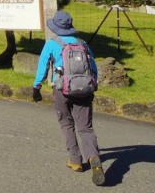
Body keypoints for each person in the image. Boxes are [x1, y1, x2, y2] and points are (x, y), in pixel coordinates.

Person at [33, 10, 105, 186]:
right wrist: (92, 86)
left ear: (56, 27)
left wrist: (37, 87)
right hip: (84, 88)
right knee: (86, 127)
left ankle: (75, 160)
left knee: (66, 123)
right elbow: (93, 67)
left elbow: (43, 67)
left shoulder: (52, 44)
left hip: (62, 89)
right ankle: (93, 157)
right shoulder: (83, 43)